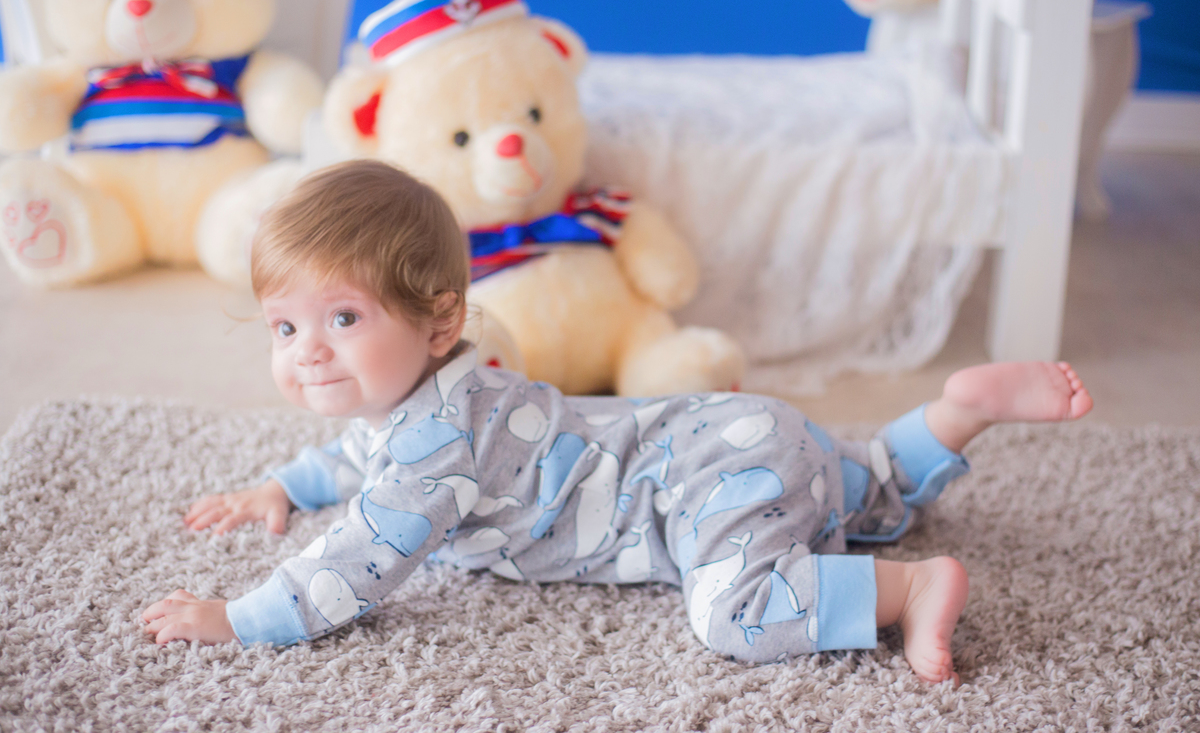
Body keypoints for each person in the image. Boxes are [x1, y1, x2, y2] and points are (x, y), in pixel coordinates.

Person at [142, 160, 1093, 685]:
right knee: (857, 482)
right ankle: (955, 415)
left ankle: (909, 588)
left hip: (700, 481)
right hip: (732, 432)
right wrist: (283, 484)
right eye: (284, 327)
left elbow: (352, 566)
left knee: (735, 613)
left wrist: (238, 618)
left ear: (437, 321)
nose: (308, 351)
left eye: (343, 319)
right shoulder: (432, 402)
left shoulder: (434, 453)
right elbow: (356, 454)